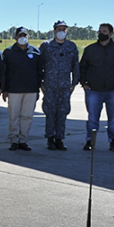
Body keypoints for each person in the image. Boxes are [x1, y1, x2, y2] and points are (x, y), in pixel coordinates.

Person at [79, 23, 114, 152]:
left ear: (111, 33)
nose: (102, 33)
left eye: (105, 31)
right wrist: (84, 83)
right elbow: (83, 67)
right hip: (93, 90)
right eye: (100, 31)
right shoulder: (90, 49)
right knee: (92, 119)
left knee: (113, 119)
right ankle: (90, 141)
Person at [39, 20, 79, 151]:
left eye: (64, 29)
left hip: (65, 86)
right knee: (50, 112)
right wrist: (41, 83)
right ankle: (50, 139)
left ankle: (59, 139)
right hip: (50, 86)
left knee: (62, 113)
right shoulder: (46, 45)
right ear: (54, 31)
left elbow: (75, 66)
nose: (61, 31)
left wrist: (74, 83)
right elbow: (40, 66)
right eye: (59, 29)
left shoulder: (71, 46)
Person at [1, 27, 43, 151]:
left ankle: (23, 140)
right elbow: (4, 72)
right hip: (14, 90)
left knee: (27, 116)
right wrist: (4, 89)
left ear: (28, 37)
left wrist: (37, 89)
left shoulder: (35, 52)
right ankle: (14, 139)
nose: (22, 38)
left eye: (25, 35)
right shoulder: (8, 52)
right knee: (13, 115)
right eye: (20, 35)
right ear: (15, 37)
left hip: (30, 90)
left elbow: (39, 72)